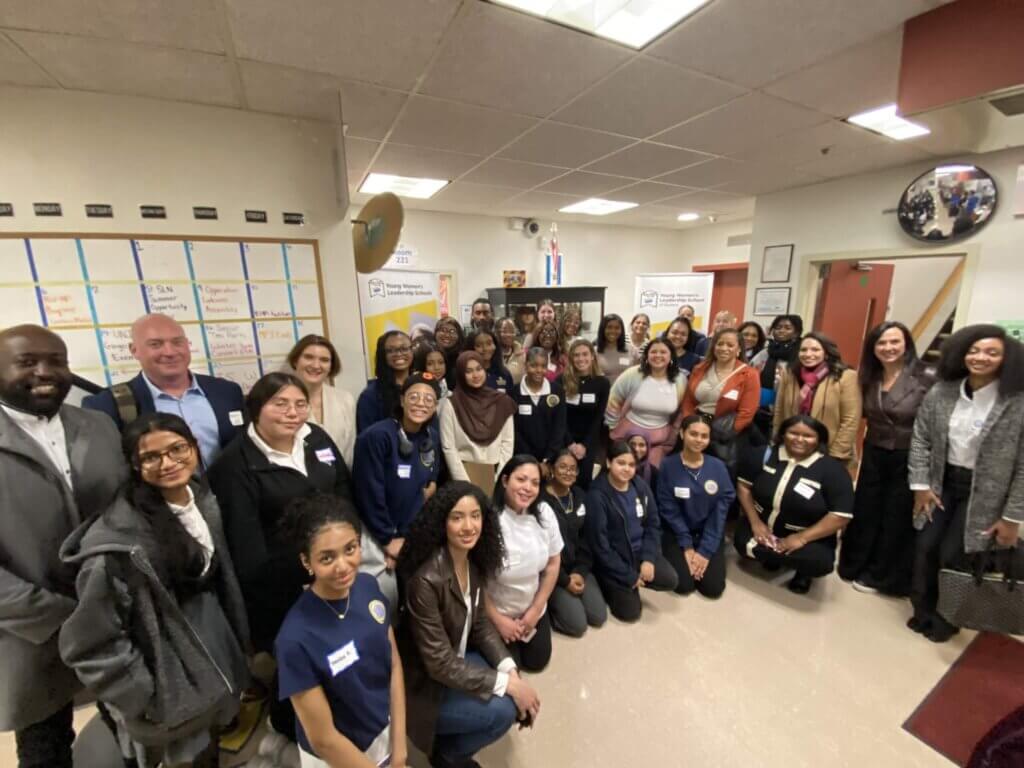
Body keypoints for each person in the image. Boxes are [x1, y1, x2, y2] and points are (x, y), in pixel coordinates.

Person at [60, 414, 249, 768]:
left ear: (194, 448)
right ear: (133, 464)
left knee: (211, 752)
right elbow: (89, 644)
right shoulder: (118, 544)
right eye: (151, 457)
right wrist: (143, 696)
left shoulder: (201, 497)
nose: (168, 463)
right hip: (168, 682)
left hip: (212, 654)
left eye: (178, 449)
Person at [0, 325, 125, 768]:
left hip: (114, 616)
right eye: (27, 362)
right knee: (44, 744)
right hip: (31, 630)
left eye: (56, 360)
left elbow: (126, 510)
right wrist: (60, 614)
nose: (45, 372)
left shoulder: (99, 424)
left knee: (129, 730)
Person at [207, 372, 352, 739]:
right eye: (280, 404)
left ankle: (333, 720)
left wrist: (346, 552)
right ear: (257, 409)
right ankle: (291, 728)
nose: (293, 413)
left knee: (335, 659)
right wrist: (310, 578)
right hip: (281, 590)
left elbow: (343, 490)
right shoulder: (234, 466)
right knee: (298, 669)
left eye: (300, 404)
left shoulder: (315, 438)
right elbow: (248, 550)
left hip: (333, 572)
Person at [397, 481, 541, 768]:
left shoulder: (470, 562)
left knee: (512, 678)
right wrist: (509, 687)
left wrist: (510, 672)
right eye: (457, 517)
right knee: (504, 711)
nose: (468, 526)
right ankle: (447, 756)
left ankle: (449, 749)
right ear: (442, 523)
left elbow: (480, 626)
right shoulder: (425, 581)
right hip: (425, 687)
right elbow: (439, 664)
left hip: (455, 660)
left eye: (475, 516)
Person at [908, 324, 1024, 643]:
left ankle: (948, 618)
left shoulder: (1016, 401)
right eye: (973, 350)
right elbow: (920, 438)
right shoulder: (942, 391)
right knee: (926, 546)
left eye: (991, 352)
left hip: (986, 493)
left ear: (1006, 358)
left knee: (954, 553)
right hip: (940, 482)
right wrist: (920, 484)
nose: (980, 357)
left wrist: (1012, 518)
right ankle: (923, 610)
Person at [275, 493, 407, 768]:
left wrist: (400, 746)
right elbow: (324, 740)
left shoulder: (368, 587)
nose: (343, 566)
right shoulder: (295, 639)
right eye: (327, 558)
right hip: (338, 756)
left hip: (382, 731)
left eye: (350, 549)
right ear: (306, 562)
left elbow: (393, 663)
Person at [838, 322, 934, 596]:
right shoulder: (869, 375)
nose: (888, 348)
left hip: (910, 454)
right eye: (882, 343)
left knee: (895, 516)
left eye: (895, 342)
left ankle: (882, 575)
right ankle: (855, 564)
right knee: (866, 508)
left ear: (906, 344)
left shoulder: (926, 376)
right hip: (875, 449)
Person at [82, 313, 245, 468]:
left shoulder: (227, 392)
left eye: (177, 342)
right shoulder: (106, 406)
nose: (170, 352)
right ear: (134, 350)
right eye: (155, 344)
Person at [734, 415, 855, 594]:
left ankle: (802, 573)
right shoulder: (763, 455)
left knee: (817, 562)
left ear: (819, 440)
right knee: (741, 542)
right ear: (783, 434)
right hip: (764, 527)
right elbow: (743, 487)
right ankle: (774, 555)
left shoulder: (833, 471)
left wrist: (801, 538)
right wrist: (755, 523)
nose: (799, 439)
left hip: (806, 535)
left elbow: (840, 516)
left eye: (808, 436)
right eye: (793, 433)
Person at [353, 373, 442, 611]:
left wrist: (431, 483)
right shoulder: (376, 437)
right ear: (402, 400)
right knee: (386, 601)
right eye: (414, 397)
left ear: (435, 406)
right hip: (378, 533)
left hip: (411, 532)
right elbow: (369, 493)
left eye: (428, 399)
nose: (420, 403)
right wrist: (389, 539)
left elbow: (432, 473)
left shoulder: (430, 437)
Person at [583, 441, 678, 621]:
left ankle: (635, 577)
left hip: (638, 551)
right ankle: (607, 583)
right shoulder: (597, 495)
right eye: (621, 463)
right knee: (630, 613)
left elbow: (652, 523)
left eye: (631, 464)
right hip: (614, 559)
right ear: (609, 463)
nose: (627, 469)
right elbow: (600, 546)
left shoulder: (639, 485)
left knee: (670, 579)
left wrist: (648, 558)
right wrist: (628, 576)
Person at [486, 457, 562, 671]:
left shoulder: (544, 513)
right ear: (505, 481)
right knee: (512, 667)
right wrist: (499, 620)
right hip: (497, 611)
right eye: (521, 479)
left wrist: (535, 610)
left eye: (535, 483)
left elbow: (553, 564)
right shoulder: (489, 519)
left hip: (531, 607)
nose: (528, 488)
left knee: (537, 662)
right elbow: (474, 577)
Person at [656, 416, 735, 599]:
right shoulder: (668, 465)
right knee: (683, 585)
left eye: (704, 436)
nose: (699, 440)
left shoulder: (718, 467)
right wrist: (687, 547)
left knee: (713, 589)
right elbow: (668, 509)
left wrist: (705, 551)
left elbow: (720, 511)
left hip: (709, 532)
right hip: (677, 532)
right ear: (682, 434)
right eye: (693, 434)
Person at [773, 332, 862, 470]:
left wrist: (835, 456)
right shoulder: (790, 374)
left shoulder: (846, 377)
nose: (808, 354)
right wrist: (777, 440)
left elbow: (850, 420)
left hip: (828, 451)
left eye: (815, 349)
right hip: (793, 447)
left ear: (826, 353)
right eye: (803, 350)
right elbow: (779, 411)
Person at [541, 451, 606, 637]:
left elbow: (588, 538)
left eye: (573, 469)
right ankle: (551, 609)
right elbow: (542, 552)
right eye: (562, 467)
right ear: (552, 469)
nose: (568, 472)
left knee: (598, 616)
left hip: (578, 567)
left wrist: (580, 571)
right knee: (577, 626)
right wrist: (565, 580)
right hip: (553, 573)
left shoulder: (580, 495)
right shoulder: (541, 501)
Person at [681, 328, 762, 472]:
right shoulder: (700, 368)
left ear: (738, 349)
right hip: (697, 426)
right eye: (720, 344)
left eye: (730, 345)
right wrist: (690, 426)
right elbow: (688, 401)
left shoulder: (749, 374)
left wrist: (722, 433)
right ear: (713, 347)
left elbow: (747, 413)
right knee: (689, 469)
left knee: (716, 473)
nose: (724, 348)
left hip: (725, 434)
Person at [605, 338, 688, 469]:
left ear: (671, 355)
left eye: (663, 352)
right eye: (653, 352)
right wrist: (612, 427)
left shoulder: (680, 379)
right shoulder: (632, 374)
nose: (658, 355)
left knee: (651, 477)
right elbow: (614, 401)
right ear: (647, 355)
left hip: (659, 443)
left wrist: (673, 434)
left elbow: (680, 412)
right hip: (627, 437)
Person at [439, 352, 516, 486]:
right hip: (462, 472)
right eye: (468, 371)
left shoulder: (502, 402)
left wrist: (499, 478)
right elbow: (448, 447)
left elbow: (507, 443)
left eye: (479, 369)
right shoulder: (450, 404)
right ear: (461, 374)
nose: (475, 375)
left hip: (496, 472)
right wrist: (464, 483)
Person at [287, 334, 356, 467]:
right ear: (295, 361)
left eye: (324, 360)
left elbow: (350, 450)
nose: (316, 365)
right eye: (308, 357)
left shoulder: (345, 399)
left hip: (341, 481)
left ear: (331, 366)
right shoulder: (280, 402)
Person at [560, 339, 610, 489]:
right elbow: (559, 417)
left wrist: (584, 445)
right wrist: (570, 444)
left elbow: (598, 418)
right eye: (576, 355)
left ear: (592, 356)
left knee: (583, 481)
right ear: (570, 358)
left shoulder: (602, 383)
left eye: (584, 354)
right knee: (562, 478)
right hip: (564, 440)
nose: (581, 359)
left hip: (589, 442)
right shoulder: (561, 380)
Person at [512, 347, 567, 476]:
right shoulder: (514, 392)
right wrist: (531, 461)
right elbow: (515, 430)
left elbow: (559, 427)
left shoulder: (557, 391)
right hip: (522, 458)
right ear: (526, 366)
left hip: (550, 460)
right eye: (534, 365)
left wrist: (547, 460)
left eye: (543, 366)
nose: (539, 370)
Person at [751, 314, 803, 436]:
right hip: (759, 410)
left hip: (787, 409)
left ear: (797, 332)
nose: (781, 331)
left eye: (787, 328)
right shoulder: (764, 352)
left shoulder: (800, 355)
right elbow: (749, 373)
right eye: (778, 327)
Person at [357, 331, 413, 434]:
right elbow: (367, 437)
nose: (399, 354)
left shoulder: (421, 385)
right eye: (391, 350)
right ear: (383, 355)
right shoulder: (370, 395)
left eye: (404, 348)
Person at [467, 328, 513, 394]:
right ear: (471, 348)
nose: (485, 348)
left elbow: (510, 401)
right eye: (478, 345)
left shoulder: (504, 373)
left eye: (489, 344)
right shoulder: (466, 374)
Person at [595, 313, 634, 384]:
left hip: (627, 393)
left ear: (621, 330)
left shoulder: (631, 350)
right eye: (609, 327)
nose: (613, 331)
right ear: (603, 329)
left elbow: (637, 374)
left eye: (617, 328)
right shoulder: (594, 352)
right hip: (604, 394)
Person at [434, 318, 465, 393]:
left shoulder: (463, 358)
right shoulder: (428, 355)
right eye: (443, 330)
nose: (447, 335)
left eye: (452, 331)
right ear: (435, 333)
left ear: (459, 336)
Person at [495, 317, 525, 386]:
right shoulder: (491, 354)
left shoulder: (522, 355)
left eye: (512, 331)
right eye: (505, 331)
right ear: (496, 333)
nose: (509, 335)